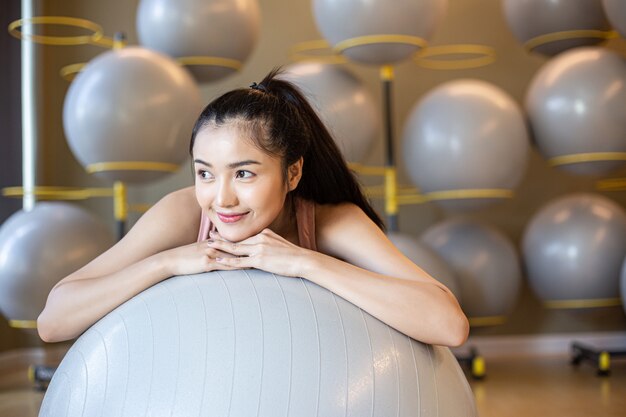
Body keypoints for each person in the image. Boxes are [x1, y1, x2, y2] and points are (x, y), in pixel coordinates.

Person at [37, 68, 468, 347]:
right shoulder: (185, 213)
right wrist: (167, 263)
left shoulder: (331, 221)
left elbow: (449, 324)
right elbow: (53, 320)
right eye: (205, 173)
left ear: (292, 174)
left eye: (244, 174)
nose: (220, 198)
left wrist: (304, 263)